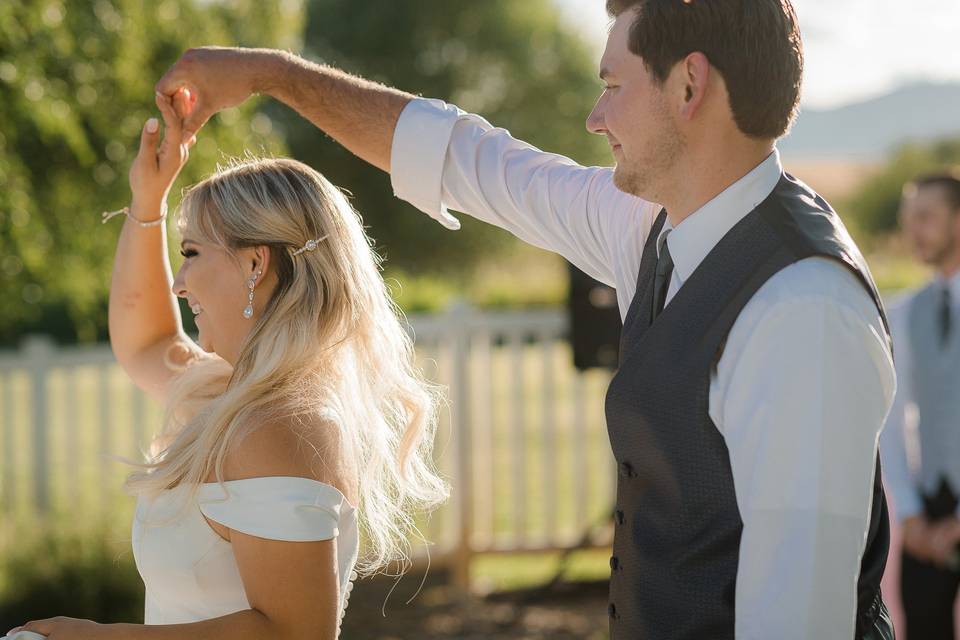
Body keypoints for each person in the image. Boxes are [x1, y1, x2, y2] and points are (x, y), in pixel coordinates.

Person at [145, 0, 897, 637]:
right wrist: (272, 76)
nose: (596, 115)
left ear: (689, 84)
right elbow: (466, 160)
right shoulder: (652, 227)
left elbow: (797, 622)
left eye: (612, 85)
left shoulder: (803, 312)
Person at [7, 89, 446, 639]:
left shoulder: (280, 424)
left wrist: (91, 637)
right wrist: (147, 202)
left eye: (190, 254)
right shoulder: (230, 395)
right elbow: (146, 340)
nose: (178, 281)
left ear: (256, 263)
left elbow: (293, 633)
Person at [881, 171, 960, 640]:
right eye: (909, 219)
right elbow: (891, 421)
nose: (914, 230)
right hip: (925, 512)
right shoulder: (904, 313)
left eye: (926, 218)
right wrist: (910, 514)